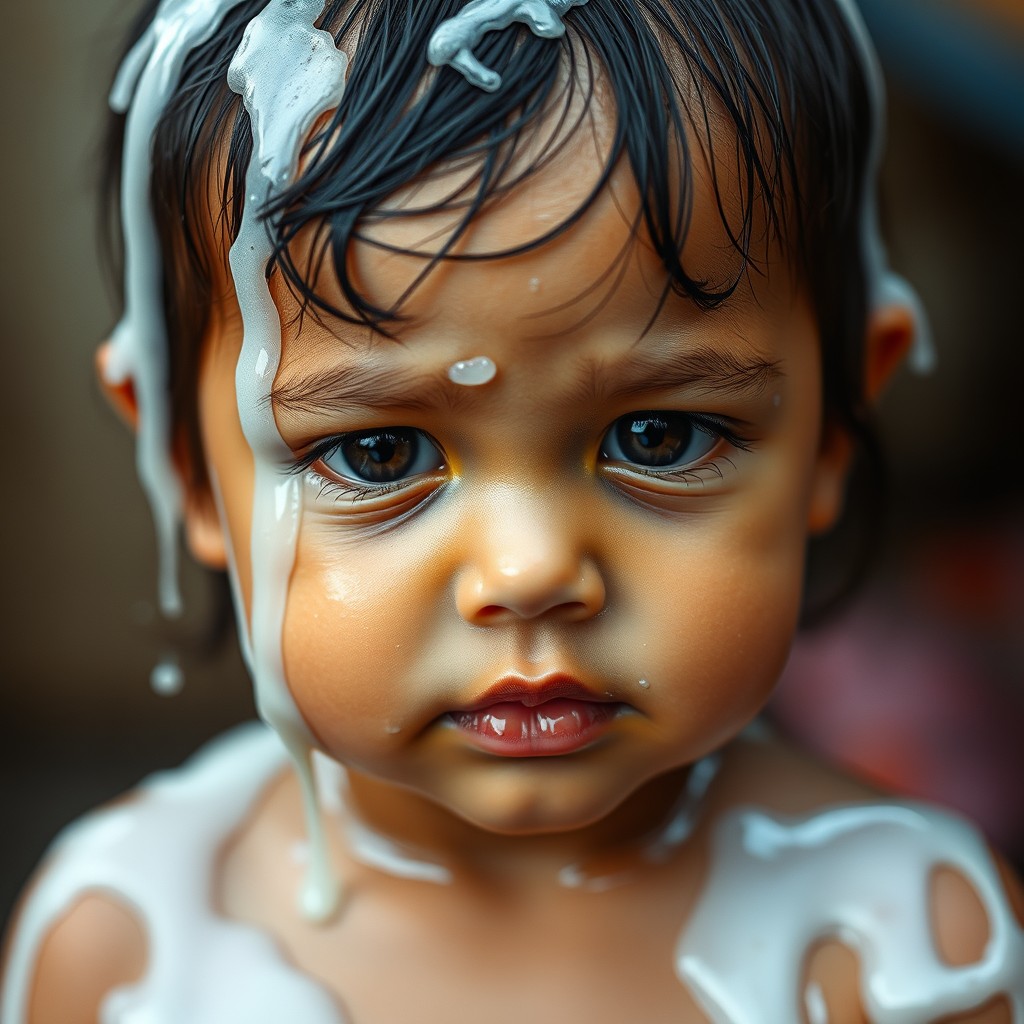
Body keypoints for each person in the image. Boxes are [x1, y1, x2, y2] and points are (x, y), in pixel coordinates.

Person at [2, 0, 1022, 1021]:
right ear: (187, 465)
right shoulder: (131, 947)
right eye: (379, 452)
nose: (528, 570)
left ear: (829, 430)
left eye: (657, 438)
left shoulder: (908, 953)